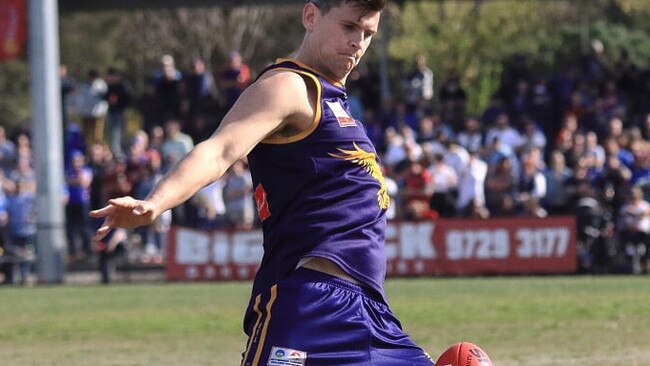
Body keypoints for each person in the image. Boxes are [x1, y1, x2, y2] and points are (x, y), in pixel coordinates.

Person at [90, 1, 435, 365]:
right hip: (310, 306)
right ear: (311, 16)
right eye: (349, 27)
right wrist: (156, 202)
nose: (358, 44)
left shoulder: (341, 104)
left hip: (372, 316)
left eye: (368, 34)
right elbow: (220, 150)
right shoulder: (290, 86)